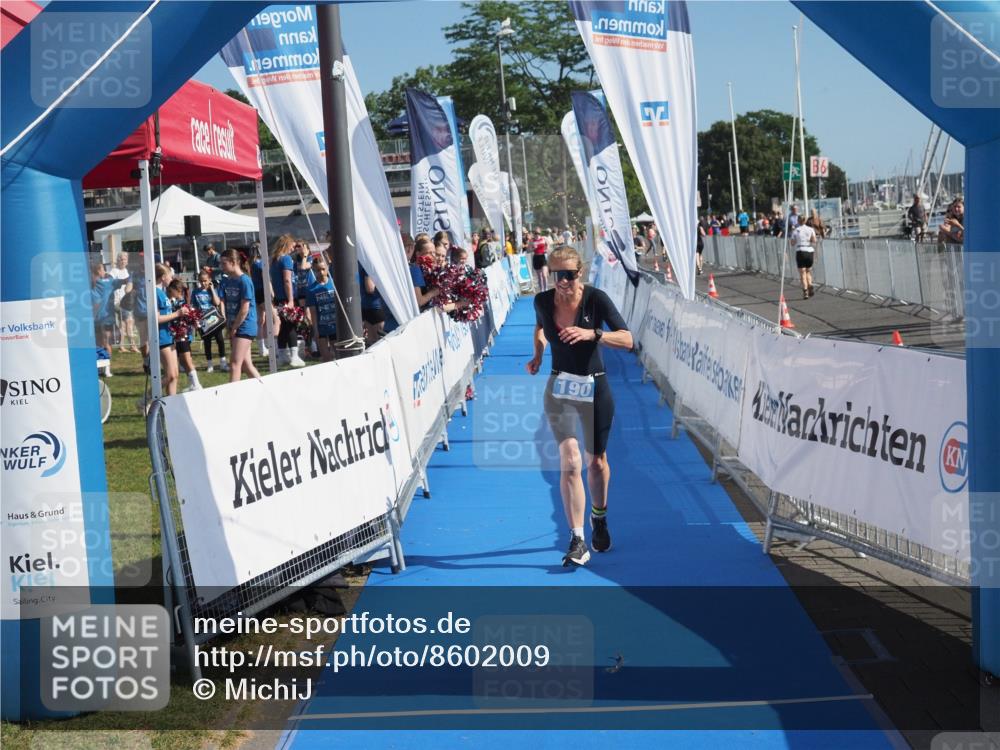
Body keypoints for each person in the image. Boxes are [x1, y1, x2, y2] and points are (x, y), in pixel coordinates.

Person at [526, 245, 634, 567]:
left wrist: (593, 334)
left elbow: (627, 340)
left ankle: (598, 517)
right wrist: (538, 354)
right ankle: (576, 538)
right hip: (559, 387)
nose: (562, 282)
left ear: (580, 273)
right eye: (557, 275)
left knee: (596, 462)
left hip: (595, 386)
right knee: (570, 460)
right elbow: (540, 328)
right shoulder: (542, 301)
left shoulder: (595, 299)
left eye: (569, 275)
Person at [219, 248, 261, 383]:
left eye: (224, 263)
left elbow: (245, 308)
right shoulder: (228, 280)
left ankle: (232, 398)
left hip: (245, 326)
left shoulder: (245, 281)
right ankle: (265, 390)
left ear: (233, 262)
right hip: (235, 326)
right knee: (246, 365)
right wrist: (229, 325)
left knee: (235, 364)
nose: (221, 267)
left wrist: (235, 327)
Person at [270, 234, 305, 368]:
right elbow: (287, 280)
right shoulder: (286, 259)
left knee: (284, 327)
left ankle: (282, 355)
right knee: (291, 326)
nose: (293, 248)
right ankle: (294, 356)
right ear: (287, 244)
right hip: (286, 298)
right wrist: (290, 300)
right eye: (292, 245)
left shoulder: (274, 260)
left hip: (279, 298)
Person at [91, 260, 130, 369]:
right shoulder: (107, 283)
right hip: (106, 318)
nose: (105, 272)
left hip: (94, 319)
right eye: (103, 269)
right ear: (99, 271)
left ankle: (100, 368)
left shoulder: (87, 283)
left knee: (99, 344)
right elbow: (124, 281)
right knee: (106, 343)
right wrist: (131, 278)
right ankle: (106, 369)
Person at [166, 279, 202, 392]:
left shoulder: (181, 303)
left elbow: (190, 316)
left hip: (182, 335)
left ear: (177, 291)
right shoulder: (174, 301)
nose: (168, 292)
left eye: (170, 290)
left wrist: (195, 322)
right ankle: (193, 383)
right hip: (176, 335)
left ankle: (196, 384)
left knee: (186, 360)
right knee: (183, 360)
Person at [191, 269, 228, 374]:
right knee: (207, 342)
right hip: (203, 319)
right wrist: (196, 320)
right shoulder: (195, 292)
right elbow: (194, 306)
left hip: (214, 318)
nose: (203, 283)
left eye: (205, 280)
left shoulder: (212, 290)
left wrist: (211, 289)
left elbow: (217, 302)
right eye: (201, 281)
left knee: (220, 340)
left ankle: (223, 363)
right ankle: (210, 365)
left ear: (209, 280)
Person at [154, 264, 182, 396]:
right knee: (170, 375)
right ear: (163, 277)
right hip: (161, 338)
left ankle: (172, 405)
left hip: (169, 336)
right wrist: (177, 314)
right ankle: (146, 399)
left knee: (175, 375)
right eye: (170, 276)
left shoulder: (163, 293)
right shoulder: (155, 293)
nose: (172, 278)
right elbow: (157, 318)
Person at [306, 255, 338, 362]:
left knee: (339, 355)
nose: (321, 272)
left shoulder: (334, 284)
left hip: (335, 327)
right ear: (314, 271)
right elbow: (313, 312)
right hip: (322, 328)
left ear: (327, 268)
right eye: (318, 270)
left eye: (323, 269)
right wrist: (316, 330)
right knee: (326, 358)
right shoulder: (311, 290)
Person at [110, 252, 138, 353]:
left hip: (126, 302)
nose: (123, 261)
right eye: (121, 259)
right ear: (118, 260)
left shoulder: (127, 271)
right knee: (128, 322)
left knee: (124, 324)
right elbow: (111, 285)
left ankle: (122, 346)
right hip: (118, 302)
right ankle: (132, 346)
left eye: (125, 259)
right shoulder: (114, 271)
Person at [790, 216, 818, 299]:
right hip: (809, 250)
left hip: (801, 250)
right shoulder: (810, 229)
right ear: (805, 220)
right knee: (808, 271)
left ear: (798, 221)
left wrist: (797, 240)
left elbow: (792, 243)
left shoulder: (796, 230)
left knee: (802, 272)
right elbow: (814, 240)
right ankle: (810, 285)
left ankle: (805, 291)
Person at [359, 262, 386, 345]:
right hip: (376, 307)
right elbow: (370, 288)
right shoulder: (369, 265)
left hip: (365, 307)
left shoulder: (358, 264)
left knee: (373, 344)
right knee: (381, 343)